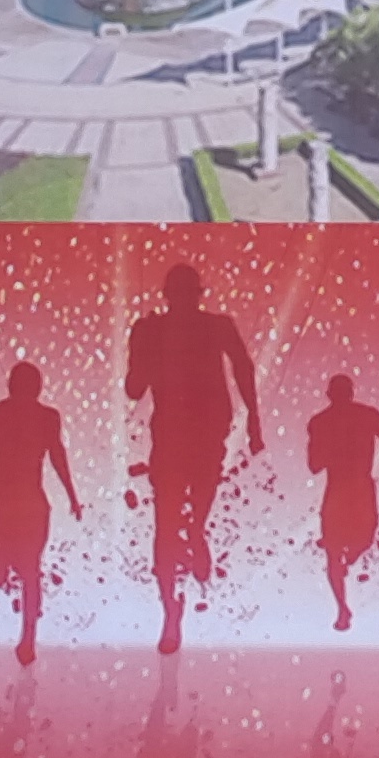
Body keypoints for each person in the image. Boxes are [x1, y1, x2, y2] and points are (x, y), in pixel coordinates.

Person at [123, 261, 262, 655]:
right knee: (178, 517)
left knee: (168, 523)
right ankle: (191, 550)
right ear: (198, 294)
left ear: (167, 295)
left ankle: (172, 610)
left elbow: (134, 388)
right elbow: (243, 370)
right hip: (197, 431)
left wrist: (144, 344)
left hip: (185, 431)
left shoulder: (161, 328)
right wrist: (254, 422)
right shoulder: (210, 327)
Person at [0, 363, 82, 666]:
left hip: (25, 500)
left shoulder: (45, 417)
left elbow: (57, 455)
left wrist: (72, 495)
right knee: (5, 573)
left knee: (30, 570)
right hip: (6, 501)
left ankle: (28, 636)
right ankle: (12, 592)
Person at [306, 374, 379, 632]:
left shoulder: (346, 418)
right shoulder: (325, 422)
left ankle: (347, 563)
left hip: (351, 490)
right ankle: (342, 607)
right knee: (339, 552)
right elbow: (314, 465)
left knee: (359, 544)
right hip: (347, 490)